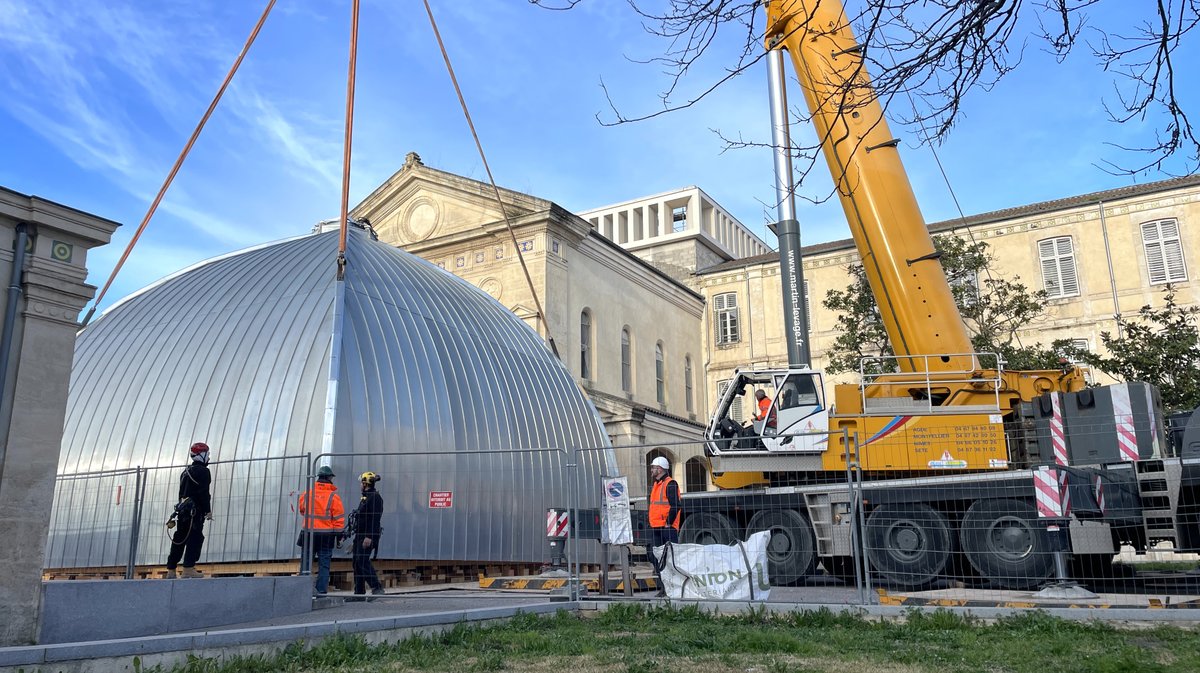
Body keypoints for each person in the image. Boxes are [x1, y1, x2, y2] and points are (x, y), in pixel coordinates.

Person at [165, 442, 213, 579]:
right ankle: (188, 568)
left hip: (183, 511)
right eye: (207, 454)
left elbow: (181, 494)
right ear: (202, 455)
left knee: (179, 537)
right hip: (195, 512)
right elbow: (204, 493)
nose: (208, 457)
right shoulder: (204, 472)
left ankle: (171, 570)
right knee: (195, 537)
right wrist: (207, 510)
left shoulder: (185, 472)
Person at [298, 465, 345, 596]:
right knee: (324, 565)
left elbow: (302, 510)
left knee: (306, 564)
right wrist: (339, 535)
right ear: (329, 478)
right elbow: (338, 518)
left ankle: (302, 592)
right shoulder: (333, 496)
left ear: (318, 477)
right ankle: (321, 591)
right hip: (326, 535)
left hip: (308, 533)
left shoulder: (307, 493)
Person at [646, 456, 681, 596]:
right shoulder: (656, 484)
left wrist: (668, 523)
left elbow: (676, 505)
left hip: (667, 529)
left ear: (659, 469)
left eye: (653, 468)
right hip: (656, 527)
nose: (651, 470)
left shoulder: (670, 484)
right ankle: (664, 588)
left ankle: (673, 587)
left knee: (670, 558)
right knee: (657, 557)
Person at [352, 471, 386, 598]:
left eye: (361, 482)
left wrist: (369, 536)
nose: (360, 485)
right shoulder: (366, 497)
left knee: (362, 560)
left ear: (365, 483)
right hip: (360, 534)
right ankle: (359, 593)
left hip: (367, 535)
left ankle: (377, 588)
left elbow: (375, 519)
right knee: (356, 562)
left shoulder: (375, 497)